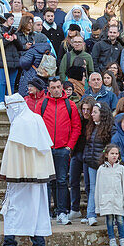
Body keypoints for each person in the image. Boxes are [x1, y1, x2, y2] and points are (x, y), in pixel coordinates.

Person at [0, 93, 55, 246]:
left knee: (12, 208)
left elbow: (12, 152)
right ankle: (39, 243)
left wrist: (8, 172)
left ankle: (9, 244)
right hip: (39, 175)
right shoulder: (37, 118)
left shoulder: (18, 123)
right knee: (38, 208)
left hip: (20, 176)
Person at [39, 77, 81, 225]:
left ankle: (62, 212)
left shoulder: (70, 105)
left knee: (62, 181)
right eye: (53, 87)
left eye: (58, 87)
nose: (56, 90)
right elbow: (37, 125)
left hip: (63, 149)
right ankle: (46, 211)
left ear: (62, 87)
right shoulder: (42, 104)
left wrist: (69, 146)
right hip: (46, 149)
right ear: (49, 88)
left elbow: (76, 127)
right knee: (47, 182)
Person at [95, 144, 124, 246]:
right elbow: (98, 188)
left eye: (116, 153)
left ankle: (122, 238)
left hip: (118, 199)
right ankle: (112, 238)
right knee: (109, 219)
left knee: (120, 219)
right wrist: (98, 204)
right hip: (106, 199)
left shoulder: (121, 169)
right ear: (106, 155)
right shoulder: (101, 169)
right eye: (112, 153)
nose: (114, 156)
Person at [82, 103, 112, 226]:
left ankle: (107, 215)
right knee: (92, 188)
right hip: (91, 163)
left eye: (95, 112)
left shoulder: (109, 128)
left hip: (103, 164)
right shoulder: (91, 127)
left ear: (102, 114)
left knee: (105, 189)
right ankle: (91, 215)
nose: (92, 114)